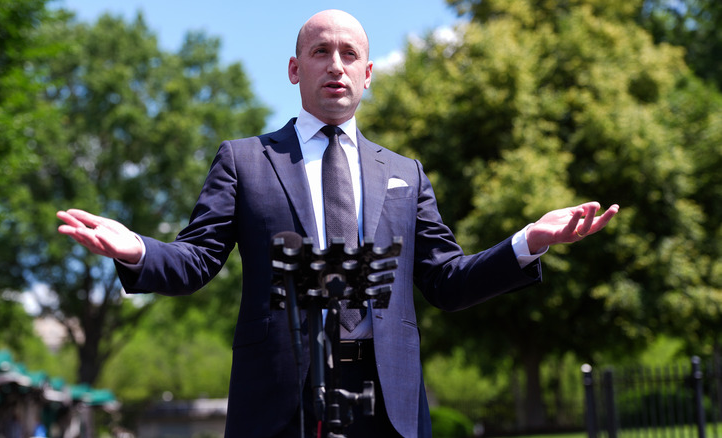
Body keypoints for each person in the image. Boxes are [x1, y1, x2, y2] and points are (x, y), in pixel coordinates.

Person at [57, 9, 618, 438]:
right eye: (321, 51)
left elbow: (448, 281)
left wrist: (527, 243)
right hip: (280, 395)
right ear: (295, 69)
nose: (336, 64)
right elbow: (197, 260)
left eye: (350, 54)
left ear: (368, 74)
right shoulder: (245, 161)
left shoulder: (406, 174)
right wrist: (135, 250)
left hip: (387, 399)